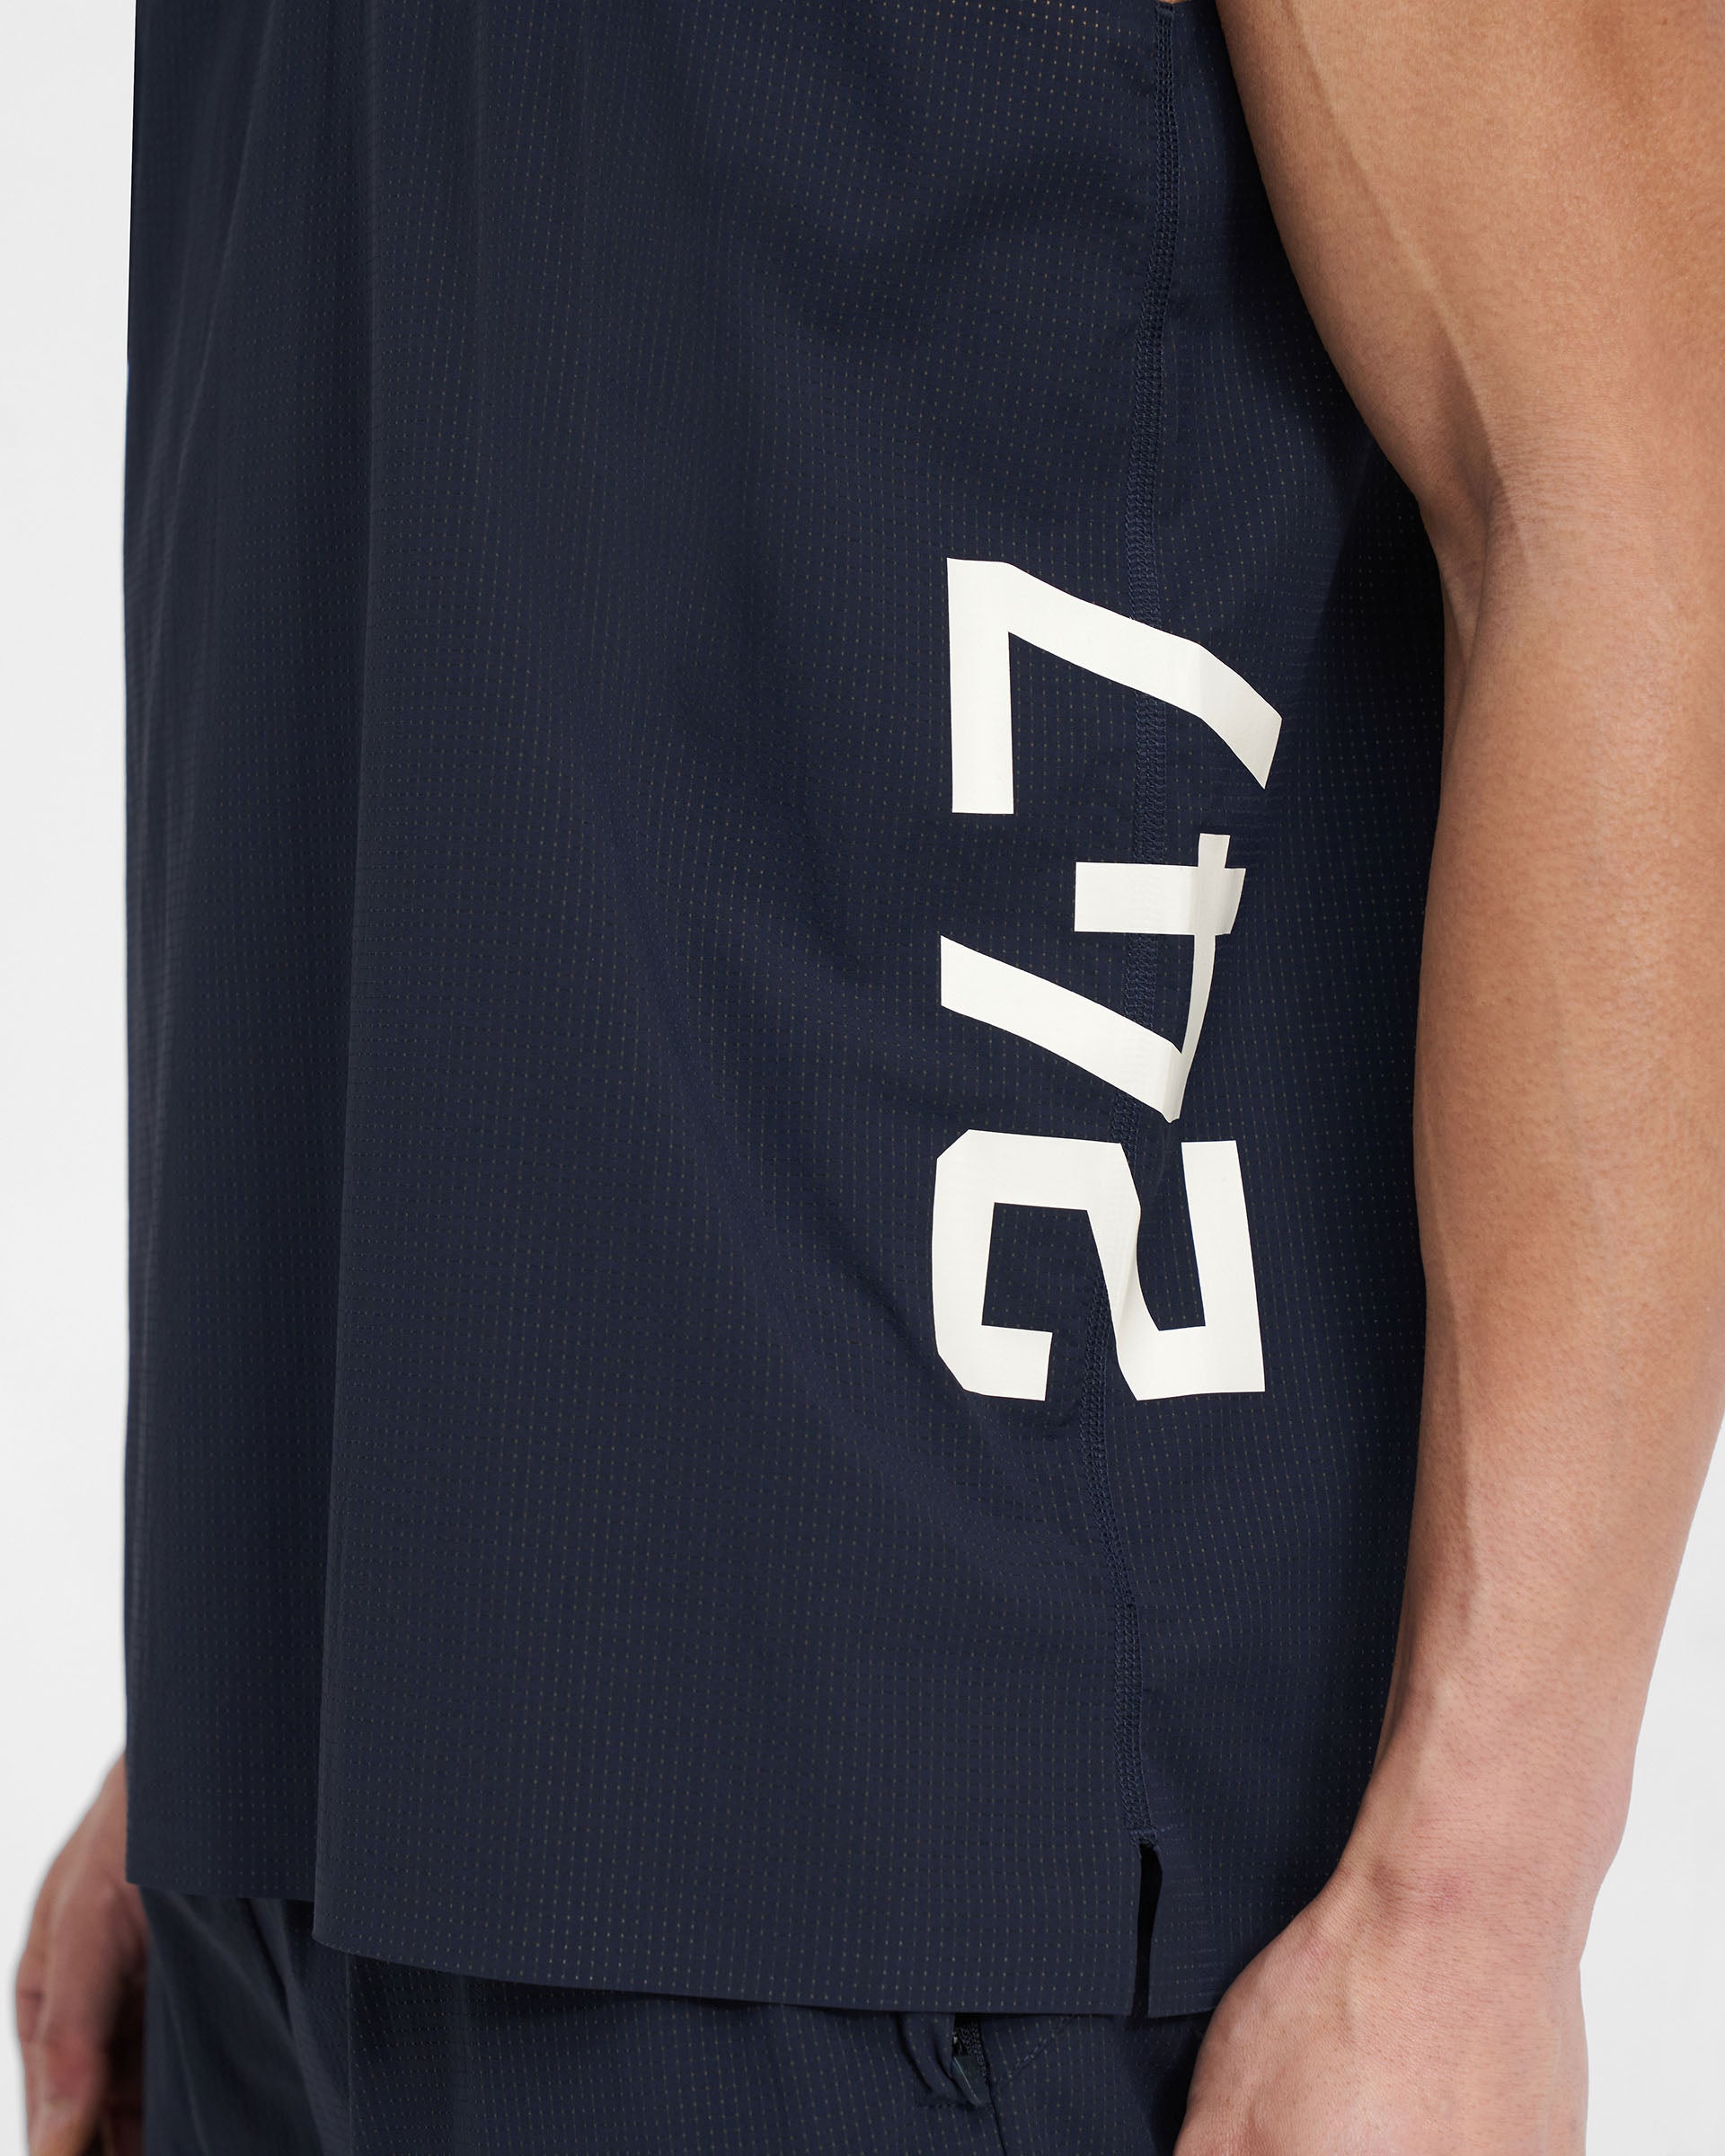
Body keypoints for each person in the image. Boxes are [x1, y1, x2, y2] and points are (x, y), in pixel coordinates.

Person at [14, 0, 1725, 2149]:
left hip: (926, 1833)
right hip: (333, 1811)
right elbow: (503, 440)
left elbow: (1643, 489)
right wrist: (291, 1688)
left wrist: (1482, 1889)